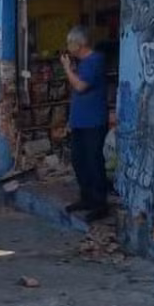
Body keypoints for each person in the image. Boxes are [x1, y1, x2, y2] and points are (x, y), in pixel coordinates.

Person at [60, 26, 110, 222]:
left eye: (69, 43)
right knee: (79, 161)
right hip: (80, 122)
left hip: (93, 122)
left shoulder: (95, 61)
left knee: (93, 162)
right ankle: (86, 197)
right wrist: (71, 121)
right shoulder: (82, 63)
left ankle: (99, 203)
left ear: (78, 44)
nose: (68, 47)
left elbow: (80, 86)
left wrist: (67, 68)